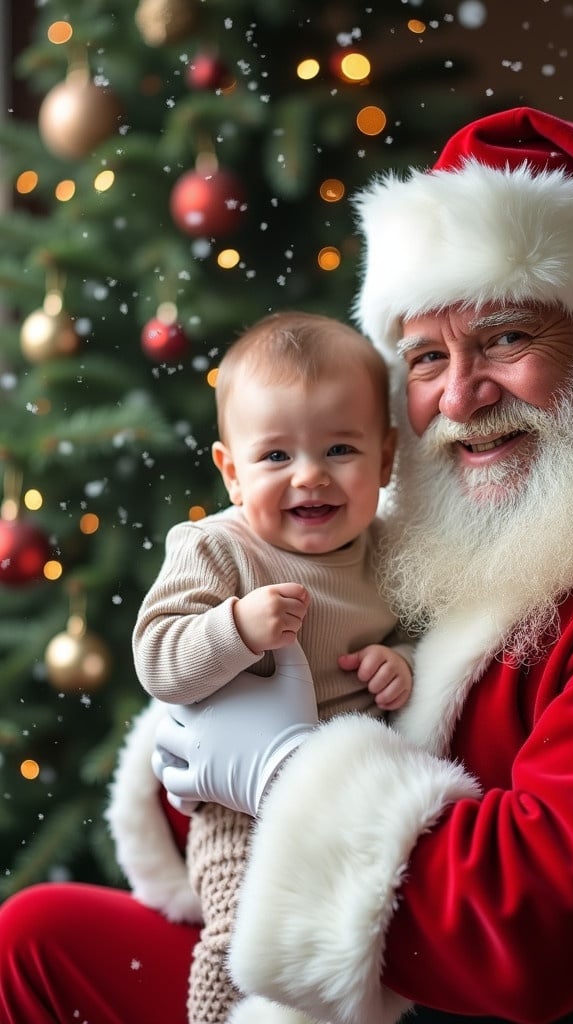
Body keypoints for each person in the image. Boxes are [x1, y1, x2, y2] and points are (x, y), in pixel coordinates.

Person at [2, 105, 573, 1024]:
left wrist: (285, 767)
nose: (461, 395)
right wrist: (207, 735)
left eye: (508, 340)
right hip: (395, 967)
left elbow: (532, 932)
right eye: (426, 358)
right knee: (36, 938)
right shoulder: (462, 523)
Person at [133, 310, 413, 1024]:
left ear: (385, 460)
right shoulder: (217, 549)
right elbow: (159, 658)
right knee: (243, 947)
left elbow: (422, 633)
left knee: (351, 961)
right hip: (237, 811)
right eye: (276, 457)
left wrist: (398, 660)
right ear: (231, 471)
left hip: (352, 806)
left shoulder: (387, 552)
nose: (310, 476)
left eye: (340, 448)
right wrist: (233, 628)